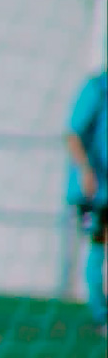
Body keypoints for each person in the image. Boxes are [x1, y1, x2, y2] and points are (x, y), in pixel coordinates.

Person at [65, 65, 107, 332]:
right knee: (98, 242)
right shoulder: (97, 89)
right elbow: (72, 134)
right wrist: (85, 170)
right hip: (95, 190)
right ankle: (101, 313)